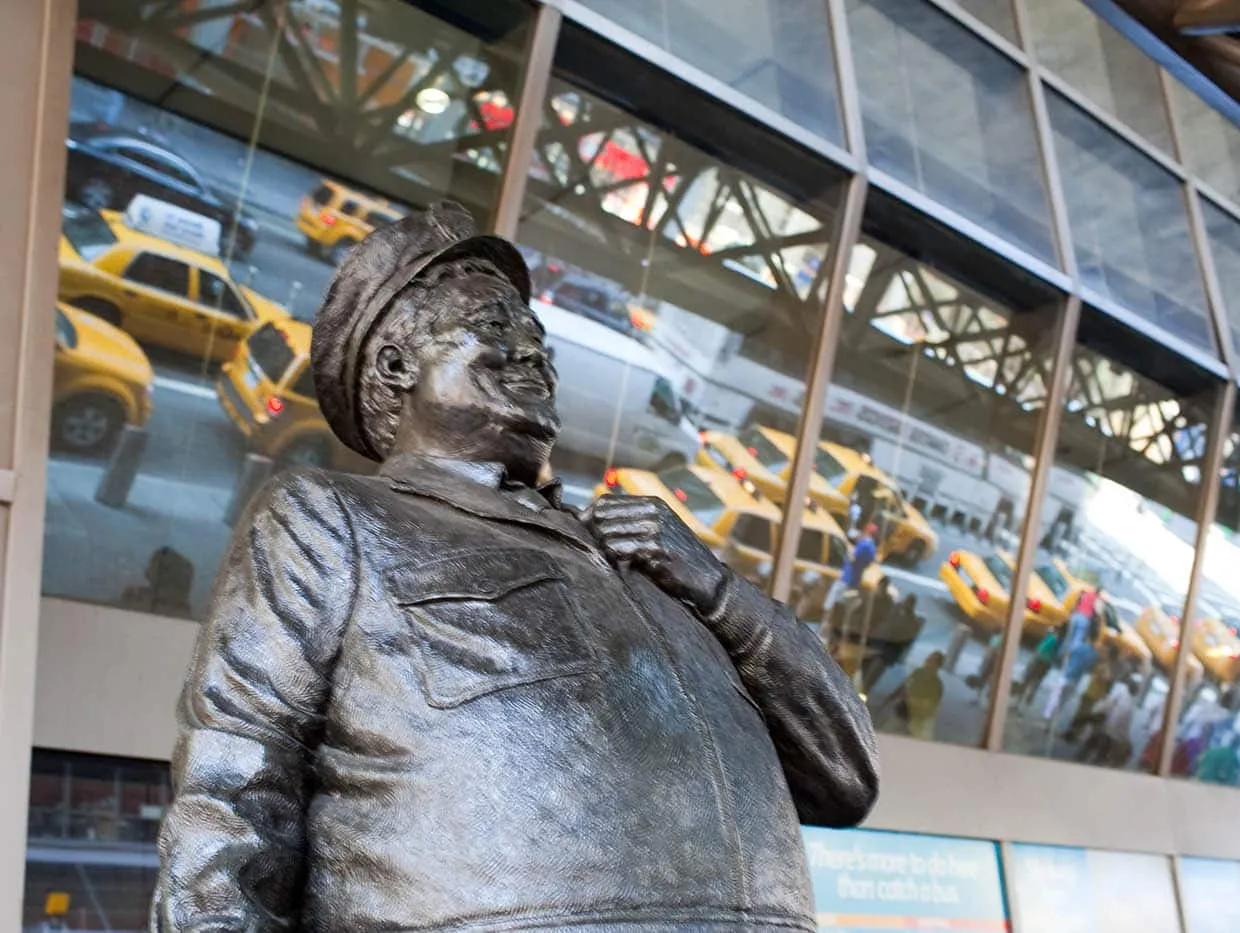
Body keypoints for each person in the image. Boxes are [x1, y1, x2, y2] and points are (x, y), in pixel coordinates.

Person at [151, 202, 879, 933]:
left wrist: (717, 589)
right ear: (399, 365)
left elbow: (845, 774)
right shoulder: (332, 515)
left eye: (536, 333)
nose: (534, 350)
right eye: (496, 326)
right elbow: (232, 791)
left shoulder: (657, 564)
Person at [1013, 629, 1061, 711]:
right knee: (1035, 684)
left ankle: (1017, 703)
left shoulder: (1051, 638)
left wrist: (1031, 662)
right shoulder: (1060, 642)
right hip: (1046, 665)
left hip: (1038, 662)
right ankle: (1025, 704)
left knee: (1027, 681)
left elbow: (1040, 650)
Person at [903, 651, 946, 741]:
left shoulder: (937, 684)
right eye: (927, 659)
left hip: (919, 718)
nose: (927, 661)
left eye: (931, 660)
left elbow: (931, 706)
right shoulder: (918, 672)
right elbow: (906, 685)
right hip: (904, 710)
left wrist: (912, 701)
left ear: (937, 665)